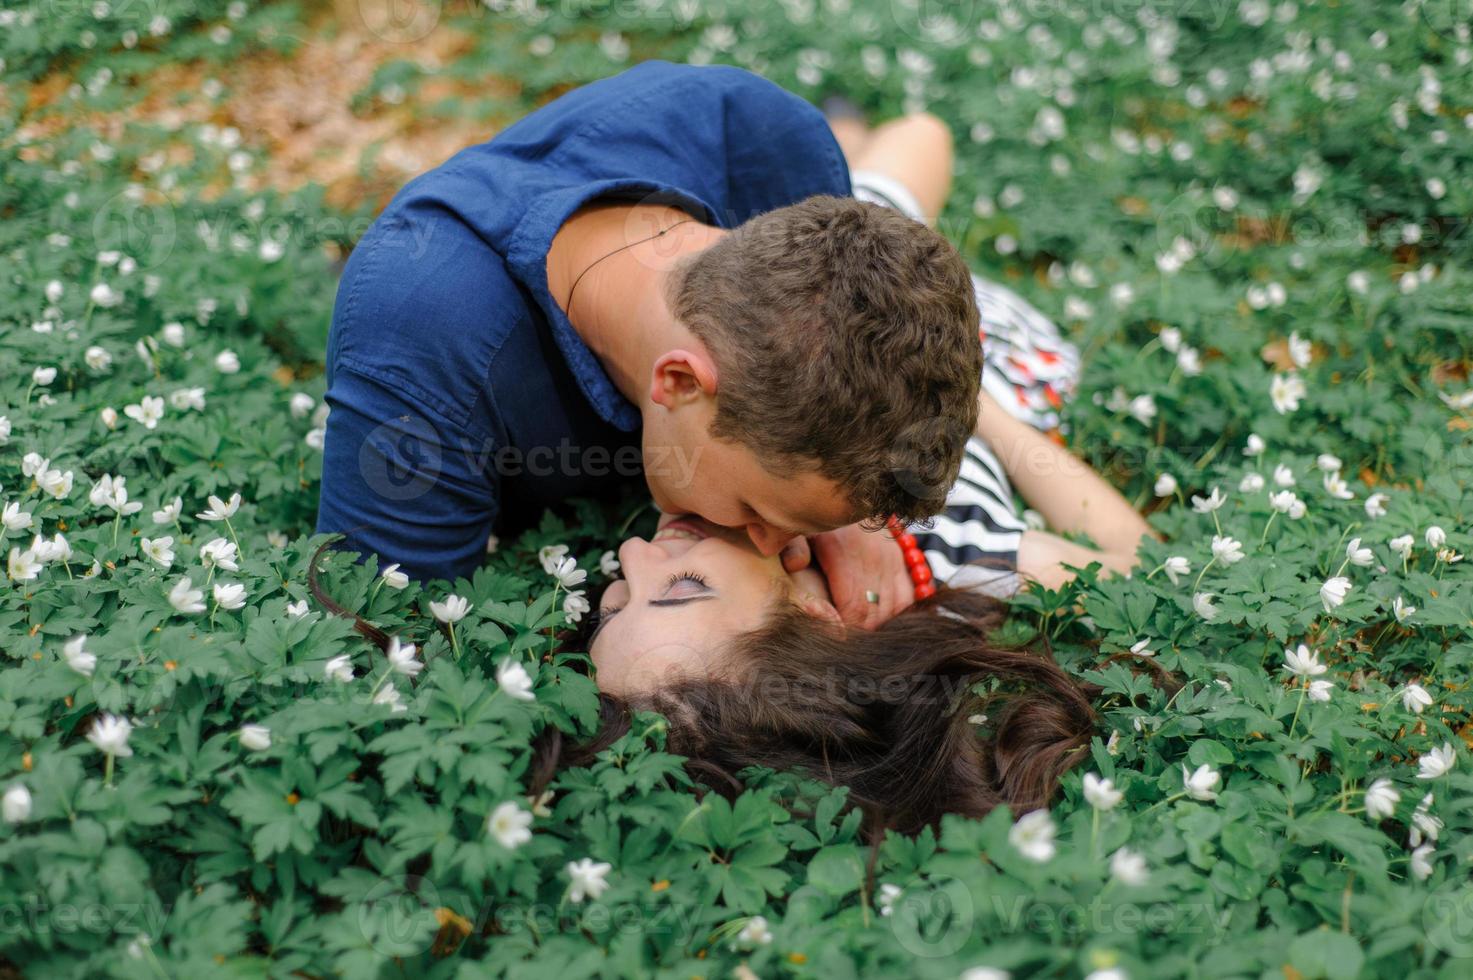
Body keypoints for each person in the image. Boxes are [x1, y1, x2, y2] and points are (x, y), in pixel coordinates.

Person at [315, 60, 985, 629]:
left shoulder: (764, 144)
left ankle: (854, 131)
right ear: (678, 382)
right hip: (435, 275)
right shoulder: (422, 347)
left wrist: (846, 519)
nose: (787, 549)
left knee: (897, 168)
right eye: (756, 514)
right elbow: (385, 640)